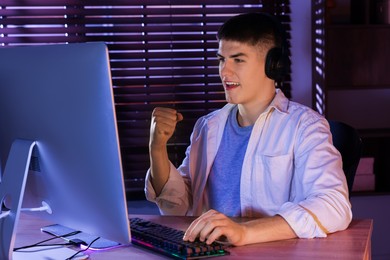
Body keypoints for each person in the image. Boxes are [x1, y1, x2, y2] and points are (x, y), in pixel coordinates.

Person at [145, 12, 352, 246]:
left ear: (273, 65)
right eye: (221, 59)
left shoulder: (305, 127)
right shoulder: (207, 126)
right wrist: (157, 148)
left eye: (238, 59)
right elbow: (178, 205)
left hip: (274, 253)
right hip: (211, 251)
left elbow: (334, 205)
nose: (224, 71)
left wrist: (245, 232)